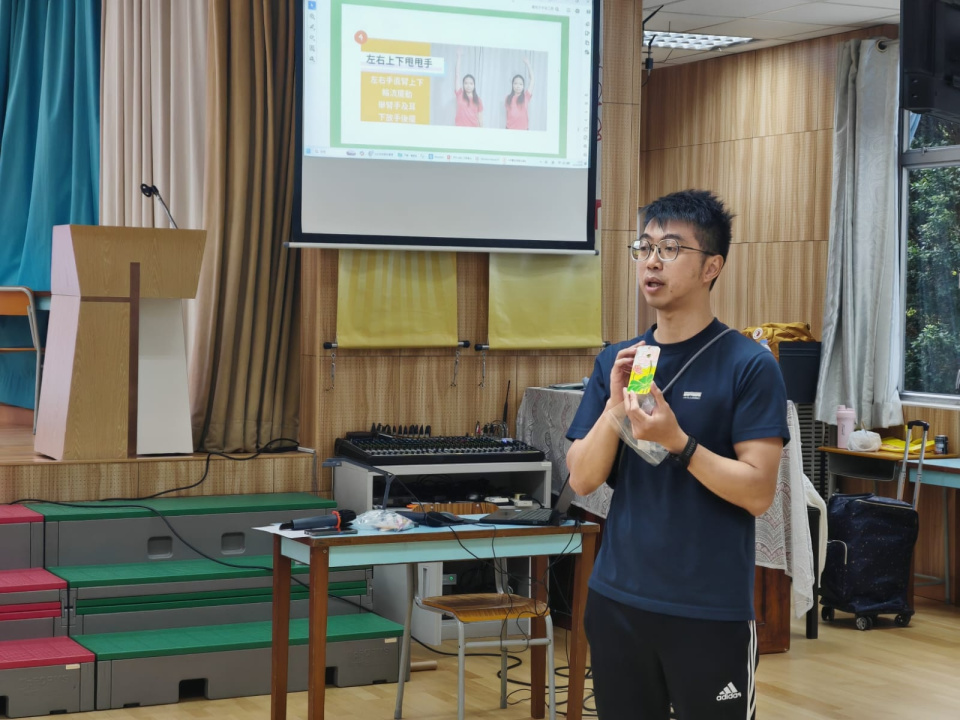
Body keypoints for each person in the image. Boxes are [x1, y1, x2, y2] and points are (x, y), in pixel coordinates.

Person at [565, 189, 789, 720]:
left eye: (670, 248)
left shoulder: (749, 364)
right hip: (618, 599)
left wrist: (678, 442)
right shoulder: (622, 361)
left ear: (712, 266)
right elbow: (582, 479)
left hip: (708, 610)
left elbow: (758, 493)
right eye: (644, 247)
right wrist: (614, 408)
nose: (651, 261)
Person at [454, 49, 483, 127]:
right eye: (466, 83)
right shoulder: (459, 94)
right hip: (459, 128)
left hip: (473, 129)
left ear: (474, 85)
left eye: (471, 83)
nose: (468, 86)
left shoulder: (478, 100)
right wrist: (459, 57)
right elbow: (457, 75)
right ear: (463, 85)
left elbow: (480, 119)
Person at [505, 57, 534, 130]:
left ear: (523, 86)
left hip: (523, 130)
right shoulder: (508, 98)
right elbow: (508, 115)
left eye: (520, 84)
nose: (518, 86)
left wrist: (528, 64)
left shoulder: (526, 96)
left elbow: (532, 79)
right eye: (516, 83)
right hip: (510, 129)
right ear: (512, 85)